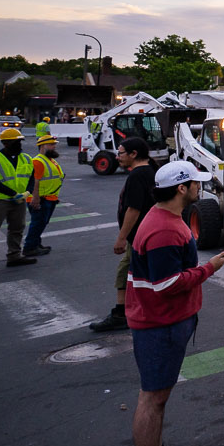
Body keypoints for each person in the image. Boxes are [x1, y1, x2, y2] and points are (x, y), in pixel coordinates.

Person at [125, 161, 224, 446]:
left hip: (165, 320)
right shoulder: (164, 229)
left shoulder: (166, 219)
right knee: (152, 397)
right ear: (182, 189)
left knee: (159, 395)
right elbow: (166, 284)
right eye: (196, 183)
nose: (200, 187)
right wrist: (208, 268)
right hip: (160, 323)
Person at [90, 137, 156, 331]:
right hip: (145, 234)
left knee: (126, 272)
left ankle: (121, 313)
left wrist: (121, 238)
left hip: (137, 236)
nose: (117, 157)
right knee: (139, 272)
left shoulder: (138, 175)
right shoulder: (150, 171)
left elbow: (133, 209)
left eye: (120, 153)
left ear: (133, 154)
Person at [0, 128, 36, 275]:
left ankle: (14, 255)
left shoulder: (26, 158)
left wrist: (28, 192)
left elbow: (31, 177)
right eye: (16, 141)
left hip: (19, 199)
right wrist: (13, 194)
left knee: (17, 227)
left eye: (20, 141)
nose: (19, 144)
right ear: (6, 143)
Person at [24, 133, 65, 256]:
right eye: (51, 144)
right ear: (42, 146)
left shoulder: (49, 160)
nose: (54, 147)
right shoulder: (38, 161)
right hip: (41, 198)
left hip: (48, 197)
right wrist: (35, 198)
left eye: (54, 144)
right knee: (38, 223)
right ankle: (29, 247)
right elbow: (35, 181)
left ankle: (36, 243)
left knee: (41, 222)